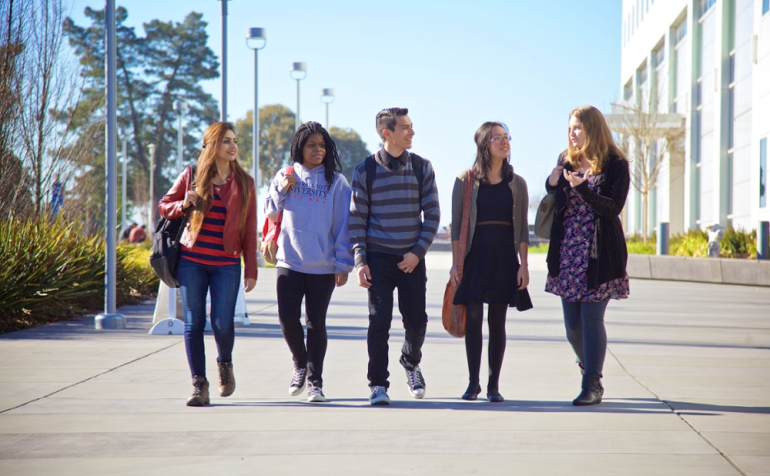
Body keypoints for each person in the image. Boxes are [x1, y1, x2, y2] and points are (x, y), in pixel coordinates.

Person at [158, 122, 257, 407]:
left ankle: (224, 363)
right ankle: (199, 384)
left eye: (234, 141)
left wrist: (250, 268)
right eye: (226, 141)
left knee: (223, 323)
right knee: (193, 323)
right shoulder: (191, 175)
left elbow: (249, 230)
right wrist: (183, 204)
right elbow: (165, 205)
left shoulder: (245, 183)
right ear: (212, 145)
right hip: (192, 260)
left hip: (227, 262)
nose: (233, 146)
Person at [349, 107, 440, 405]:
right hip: (378, 258)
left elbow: (433, 216)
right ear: (387, 133)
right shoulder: (365, 170)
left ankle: (411, 362)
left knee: (417, 321)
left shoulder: (422, 167)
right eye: (405, 128)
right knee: (379, 322)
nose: (412, 132)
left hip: (413, 258)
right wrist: (360, 261)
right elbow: (357, 220)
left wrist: (417, 253)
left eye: (412, 127)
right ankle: (378, 385)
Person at [544, 105, 630, 406]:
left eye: (577, 127)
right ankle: (587, 367)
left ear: (592, 128)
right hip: (568, 252)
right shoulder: (565, 159)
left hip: (599, 253)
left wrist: (583, 190)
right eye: (569, 127)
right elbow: (556, 199)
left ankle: (591, 383)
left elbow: (612, 208)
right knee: (572, 327)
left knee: (591, 318)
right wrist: (552, 182)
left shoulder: (616, 163)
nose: (572, 132)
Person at [264, 122, 354, 403]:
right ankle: (300, 363)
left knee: (316, 324)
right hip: (288, 261)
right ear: (300, 148)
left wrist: (343, 263)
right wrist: (280, 189)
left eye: (322, 146)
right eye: (312, 145)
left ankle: (315, 383)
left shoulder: (337, 182)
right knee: (286, 318)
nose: (318, 150)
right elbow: (270, 212)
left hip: (323, 265)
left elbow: (344, 225)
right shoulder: (285, 174)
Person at [450, 122, 530, 403]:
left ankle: (493, 385)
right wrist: (455, 264)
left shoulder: (517, 183)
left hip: (503, 258)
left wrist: (524, 265)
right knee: (473, 318)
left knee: (498, 322)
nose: (504, 142)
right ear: (484, 144)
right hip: (474, 257)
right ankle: (473, 384)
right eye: (497, 138)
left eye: (506, 137)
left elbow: (521, 229)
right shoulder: (465, 180)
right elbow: (457, 226)